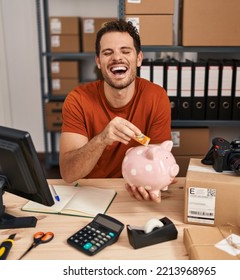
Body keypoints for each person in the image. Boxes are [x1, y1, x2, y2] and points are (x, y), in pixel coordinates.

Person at [59, 20, 172, 203]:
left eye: (125, 51)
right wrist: (102, 139)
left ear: (139, 58)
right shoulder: (77, 100)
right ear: (98, 61)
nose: (117, 58)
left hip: (134, 192)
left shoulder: (156, 96)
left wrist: (150, 183)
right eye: (107, 53)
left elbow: (159, 160)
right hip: (89, 193)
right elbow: (68, 173)